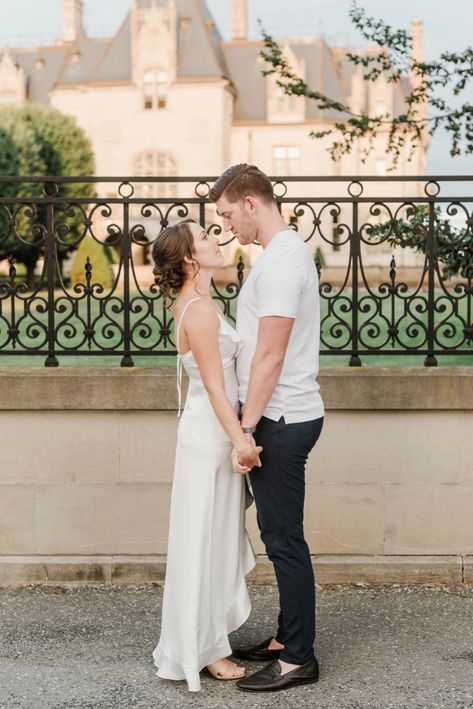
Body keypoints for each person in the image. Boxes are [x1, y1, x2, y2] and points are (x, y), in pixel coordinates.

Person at [209, 164, 325, 693]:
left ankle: (298, 657)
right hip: (281, 414)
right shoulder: (282, 256)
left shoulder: (281, 262)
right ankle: (286, 637)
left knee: (284, 540)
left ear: (252, 204)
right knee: (280, 535)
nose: (228, 225)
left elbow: (271, 355)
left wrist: (247, 428)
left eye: (229, 214)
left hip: (279, 418)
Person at [150, 219, 262, 692]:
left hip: (212, 433)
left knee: (213, 537)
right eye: (207, 236)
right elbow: (216, 388)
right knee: (204, 539)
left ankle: (208, 637)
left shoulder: (204, 304)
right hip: (211, 436)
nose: (218, 238)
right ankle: (204, 648)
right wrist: (241, 440)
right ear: (191, 258)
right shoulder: (197, 311)